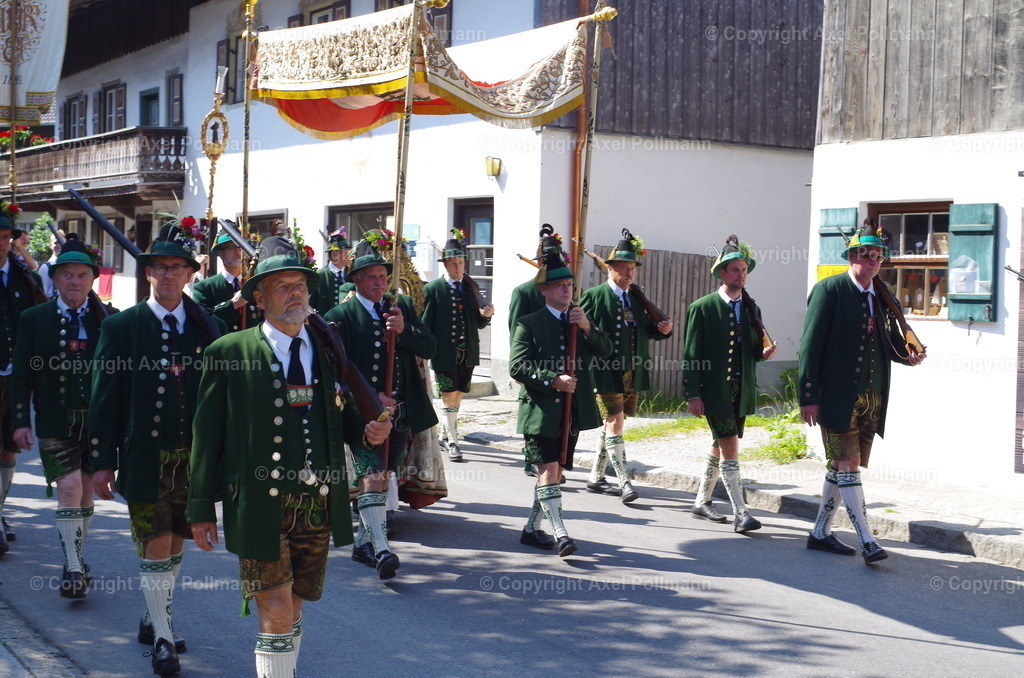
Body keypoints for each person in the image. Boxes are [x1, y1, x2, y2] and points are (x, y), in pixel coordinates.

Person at [188, 236, 391, 678]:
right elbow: (207, 435)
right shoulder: (229, 352)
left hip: (316, 499)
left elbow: (342, 417)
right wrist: (201, 506)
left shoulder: (326, 351)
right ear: (259, 298)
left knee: (295, 606)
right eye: (282, 286)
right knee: (276, 607)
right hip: (259, 504)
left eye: (300, 284)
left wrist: (368, 430)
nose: (295, 292)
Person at [88, 222, 225, 676]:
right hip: (145, 457)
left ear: (190, 274)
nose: (168, 275)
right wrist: (101, 461)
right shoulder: (122, 326)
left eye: (176, 267)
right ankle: (164, 638)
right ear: (148, 274)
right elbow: (104, 398)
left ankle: (155, 616)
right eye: (159, 267)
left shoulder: (212, 329)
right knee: (155, 540)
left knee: (177, 541)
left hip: (194, 459)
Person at [799, 219, 925, 565]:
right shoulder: (830, 290)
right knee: (848, 463)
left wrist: (907, 355)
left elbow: (885, 342)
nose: (871, 261)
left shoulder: (881, 296)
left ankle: (820, 533)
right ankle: (867, 540)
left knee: (841, 465)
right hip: (836, 395)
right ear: (851, 257)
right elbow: (810, 346)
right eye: (865, 254)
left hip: (872, 396)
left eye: (877, 256)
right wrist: (808, 395)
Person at [324, 235, 436, 579]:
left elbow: (430, 346)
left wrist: (403, 331)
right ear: (355, 280)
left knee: (385, 475)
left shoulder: (399, 309)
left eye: (382, 277)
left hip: (400, 413)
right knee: (372, 475)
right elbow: (334, 374)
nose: (378, 283)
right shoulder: (339, 316)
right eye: (370, 277)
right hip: (363, 416)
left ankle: (363, 542)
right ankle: (380, 547)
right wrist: (370, 399)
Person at [10, 237, 102, 597]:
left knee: (87, 493)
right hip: (54, 420)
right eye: (67, 275)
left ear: (91, 280)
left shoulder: (106, 319)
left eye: (81, 275)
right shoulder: (34, 319)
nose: (74, 281)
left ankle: (75, 555)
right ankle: (74, 568)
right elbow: (21, 374)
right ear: (57, 279)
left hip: (96, 422)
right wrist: (20, 419)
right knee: (68, 488)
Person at [510, 247, 612, 557]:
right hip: (540, 412)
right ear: (544, 290)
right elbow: (517, 366)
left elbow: (606, 349)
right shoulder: (529, 322)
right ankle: (561, 533)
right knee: (550, 469)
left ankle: (531, 529)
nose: (567, 289)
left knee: (552, 473)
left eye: (569, 285)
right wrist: (553, 379)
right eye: (559, 285)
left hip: (573, 410)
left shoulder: (579, 319)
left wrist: (587, 328)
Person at [683, 235, 777, 533]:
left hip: (742, 389)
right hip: (714, 391)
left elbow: (751, 350)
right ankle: (741, 512)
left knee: (720, 444)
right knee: (730, 445)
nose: (741, 274)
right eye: (735, 270)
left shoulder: (752, 308)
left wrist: (763, 353)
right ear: (722, 273)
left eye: (743, 269)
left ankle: (701, 501)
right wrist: (692, 394)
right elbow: (691, 355)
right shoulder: (703, 307)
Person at [580, 229, 673, 503]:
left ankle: (595, 477)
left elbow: (646, 331)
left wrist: (663, 329)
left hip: (632, 372)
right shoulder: (596, 297)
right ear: (610, 269)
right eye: (623, 268)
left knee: (611, 424)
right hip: (604, 371)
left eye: (632, 268)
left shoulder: (635, 299)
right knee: (615, 423)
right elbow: (585, 334)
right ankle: (624, 482)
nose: (629, 273)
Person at [422, 228, 494, 462]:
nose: (457, 266)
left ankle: (445, 433)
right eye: (452, 262)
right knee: (448, 395)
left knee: (458, 395)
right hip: (444, 355)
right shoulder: (433, 289)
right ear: (445, 265)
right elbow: (426, 325)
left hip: (468, 353)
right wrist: (428, 352)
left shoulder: (470, 288)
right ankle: (453, 441)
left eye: (460, 261)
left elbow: (479, 323)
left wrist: (487, 314)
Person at [0, 203, 44, 555]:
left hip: (15, 377)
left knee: (8, 446)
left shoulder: (23, 279)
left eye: (5, 238)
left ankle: (0, 510)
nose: (0, 243)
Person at [192, 232, 262, 332]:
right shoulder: (203, 287)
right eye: (231, 248)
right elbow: (203, 321)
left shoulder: (254, 284)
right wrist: (233, 304)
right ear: (220, 253)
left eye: (240, 247)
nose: (238, 252)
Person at [309, 231, 352, 317]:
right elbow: (309, 305)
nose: (350, 256)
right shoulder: (320, 275)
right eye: (346, 253)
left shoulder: (350, 274)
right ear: (335, 255)